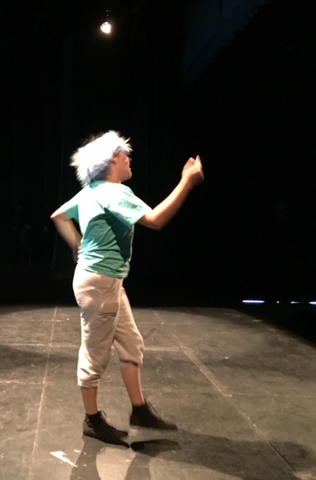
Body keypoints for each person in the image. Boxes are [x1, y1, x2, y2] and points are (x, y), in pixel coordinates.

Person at [50, 130, 204, 446]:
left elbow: (59, 216)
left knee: (132, 344)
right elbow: (156, 220)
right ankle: (92, 420)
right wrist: (187, 182)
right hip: (101, 284)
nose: (129, 158)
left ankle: (139, 410)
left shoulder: (91, 191)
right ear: (111, 160)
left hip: (103, 282)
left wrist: (76, 245)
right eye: (124, 154)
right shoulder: (116, 192)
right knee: (95, 354)